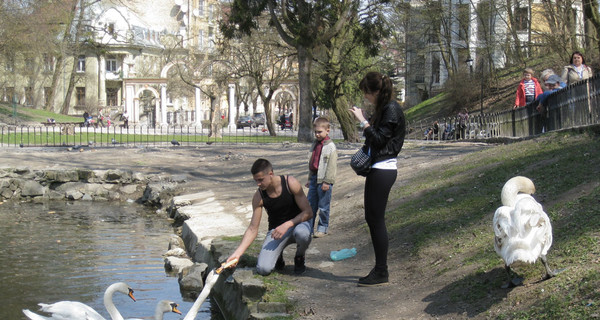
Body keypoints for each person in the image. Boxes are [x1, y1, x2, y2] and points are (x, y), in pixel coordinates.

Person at [348, 71, 406, 286]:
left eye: (367, 93)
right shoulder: (385, 109)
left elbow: (380, 140)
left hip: (384, 168)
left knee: (376, 219)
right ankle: (380, 269)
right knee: (372, 219)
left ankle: (382, 270)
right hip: (378, 168)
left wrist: (363, 121)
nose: (366, 97)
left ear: (377, 92)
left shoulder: (391, 109)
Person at [225, 159, 313, 276]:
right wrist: (237, 253)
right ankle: (278, 256)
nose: (258, 184)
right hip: (276, 232)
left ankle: (300, 256)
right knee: (263, 269)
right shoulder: (259, 196)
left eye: (261, 180)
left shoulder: (290, 183)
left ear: (270, 174)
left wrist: (287, 224)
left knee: (303, 234)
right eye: (256, 180)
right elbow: (252, 228)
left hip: (298, 224)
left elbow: (308, 212)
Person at [305, 117, 337, 238]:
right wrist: (309, 178)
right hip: (314, 178)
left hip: (324, 180)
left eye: (320, 132)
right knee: (310, 204)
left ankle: (322, 228)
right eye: (316, 132)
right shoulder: (315, 144)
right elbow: (312, 162)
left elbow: (331, 166)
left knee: (323, 206)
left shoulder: (330, 146)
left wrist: (327, 181)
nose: (317, 134)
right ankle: (308, 228)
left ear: (327, 131)